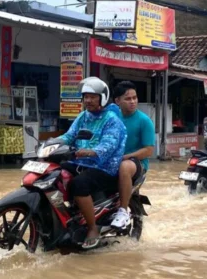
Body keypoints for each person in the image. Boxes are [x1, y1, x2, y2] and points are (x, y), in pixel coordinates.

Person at [55, 76, 126, 249]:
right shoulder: (83, 116)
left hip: (105, 167)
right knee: (55, 172)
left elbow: (109, 145)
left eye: (93, 97)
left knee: (79, 184)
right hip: (82, 162)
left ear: (102, 97)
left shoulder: (112, 119)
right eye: (86, 96)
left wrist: (92, 151)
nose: (88, 100)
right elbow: (69, 136)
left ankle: (92, 227)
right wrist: (52, 143)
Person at [105, 81, 155, 230]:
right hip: (112, 161)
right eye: (128, 99)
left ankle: (123, 211)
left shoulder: (144, 121)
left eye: (135, 98)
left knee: (124, 167)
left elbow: (148, 150)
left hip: (136, 163)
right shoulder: (111, 117)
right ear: (117, 101)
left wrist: (126, 157)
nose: (133, 102)